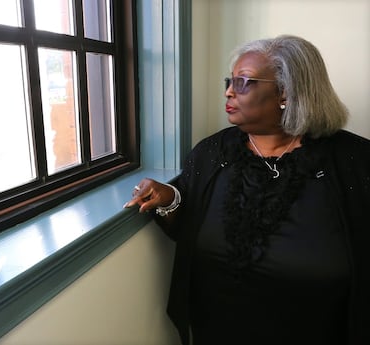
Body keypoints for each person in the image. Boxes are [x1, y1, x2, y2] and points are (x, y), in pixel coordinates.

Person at [124, 35, 370, 345]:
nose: (228, 91)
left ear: (286, 92)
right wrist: (169, 198)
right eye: (230, 81)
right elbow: (190, 230)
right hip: (218, 330)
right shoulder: (211, 153)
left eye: (243, 83)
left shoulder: (356, 162)